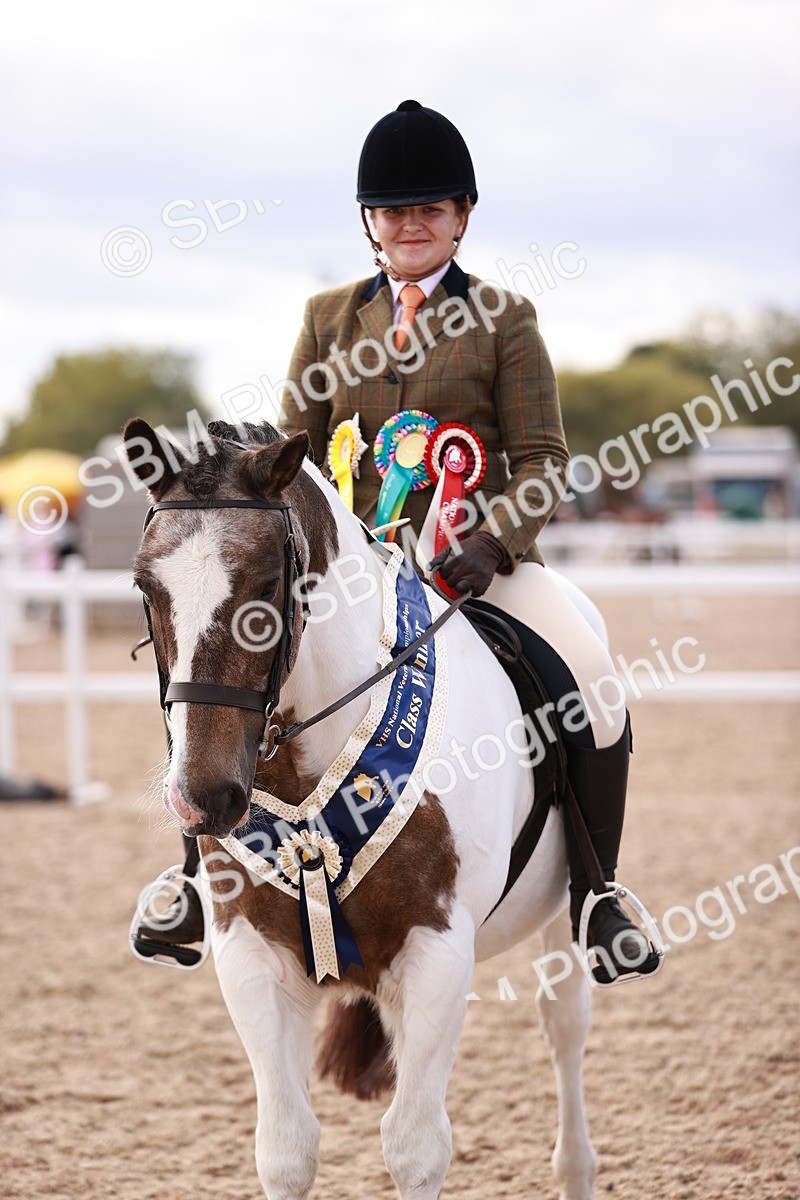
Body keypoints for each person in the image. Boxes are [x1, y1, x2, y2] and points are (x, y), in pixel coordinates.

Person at [137, 100, 658, 982]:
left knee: (590, 675)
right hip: (349, 567)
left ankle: (599, 893)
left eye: (431, 209)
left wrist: (493, 540)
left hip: (474, 566)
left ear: (461, 218)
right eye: (393, 211)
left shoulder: (506, 318)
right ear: (370, 223)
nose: (410, 224)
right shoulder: (328, 316)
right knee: (230, 661)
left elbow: (544, 458)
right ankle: (196, 876)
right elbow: (288, 456)